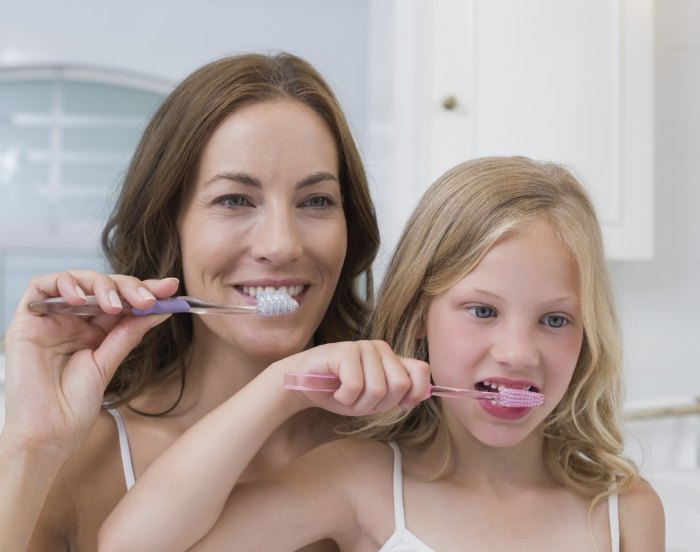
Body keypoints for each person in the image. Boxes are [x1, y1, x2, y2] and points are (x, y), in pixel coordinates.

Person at [99, 156, 665, 551]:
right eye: (482, 311)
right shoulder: (359, 480)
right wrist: (281, 385)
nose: (518, 353)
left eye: (555, 320)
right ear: (421, 315)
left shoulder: (627, 513)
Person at [0, 51, 381, 552]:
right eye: (234, 200)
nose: (282, 244)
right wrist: (32, 447)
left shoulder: (405, 443)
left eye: (316, 201)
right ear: (168, 224)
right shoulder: (81, 458)